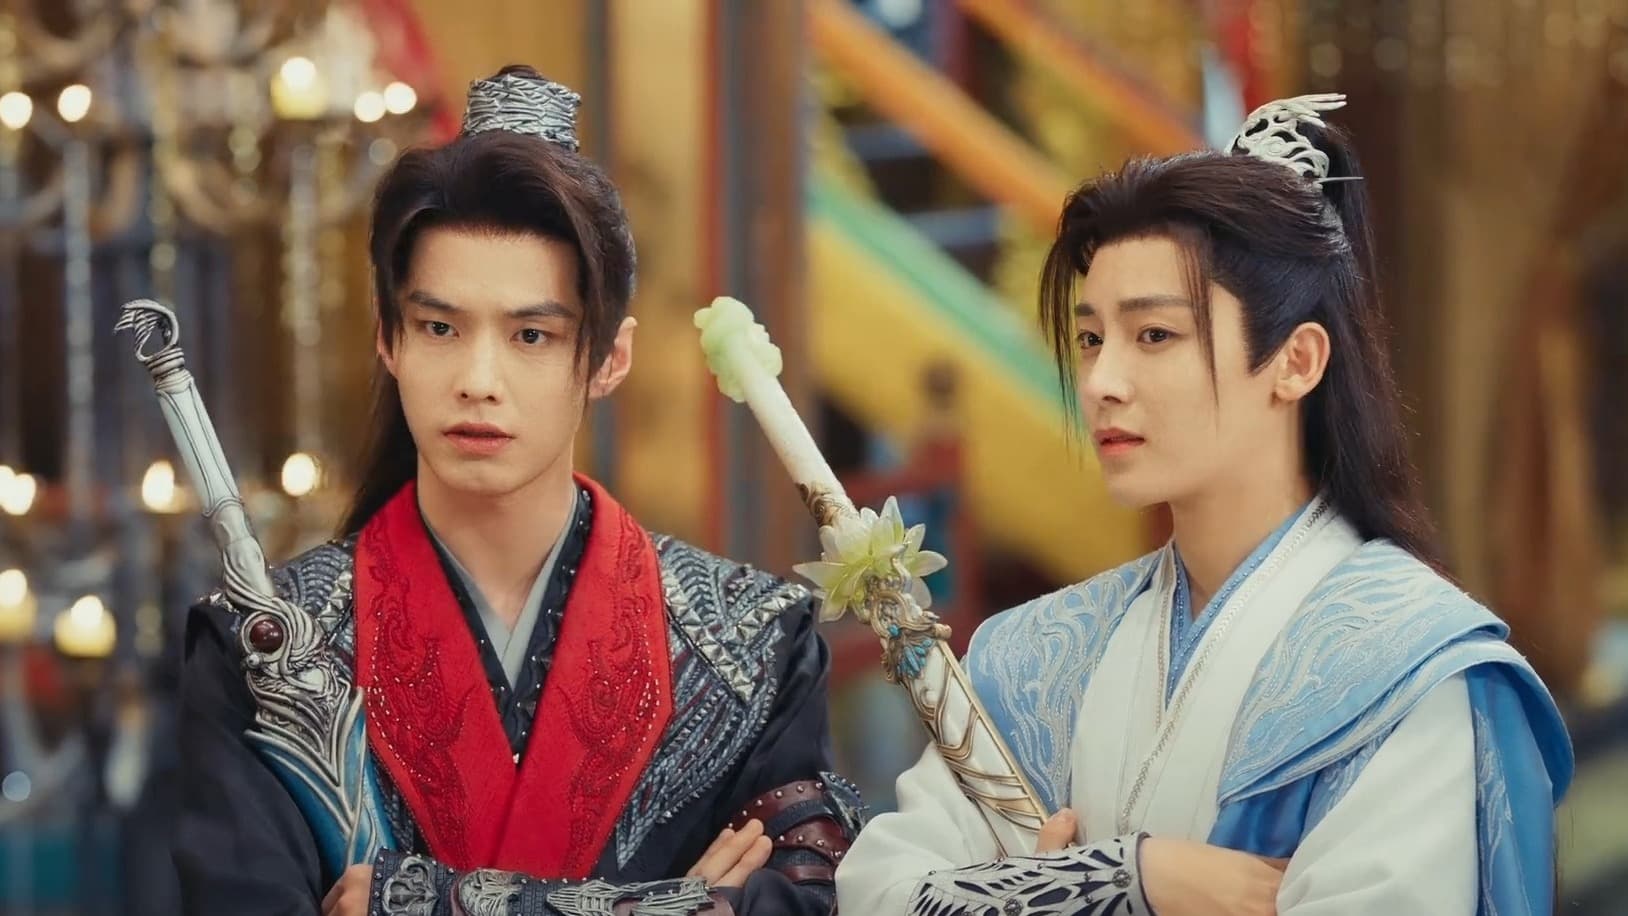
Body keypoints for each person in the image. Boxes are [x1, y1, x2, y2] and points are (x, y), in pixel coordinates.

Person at [834, 94, 1572, 915]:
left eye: (1154, 335)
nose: (1102, 381)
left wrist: (1032, 892)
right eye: (1091, 338)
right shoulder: (1034, 660)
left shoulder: (1406, 670)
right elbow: (875, 897)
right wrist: (1126, 880)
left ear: (1297, 361)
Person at [172, 65, 864, 916]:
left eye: (531, 335)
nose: (478, 379)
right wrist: (676, 904)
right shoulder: (262, 649)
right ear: (388, 339)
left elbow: (816, 901)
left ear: (609, 358)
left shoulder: (756, 645)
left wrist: (420, 901)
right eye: (439, 327)